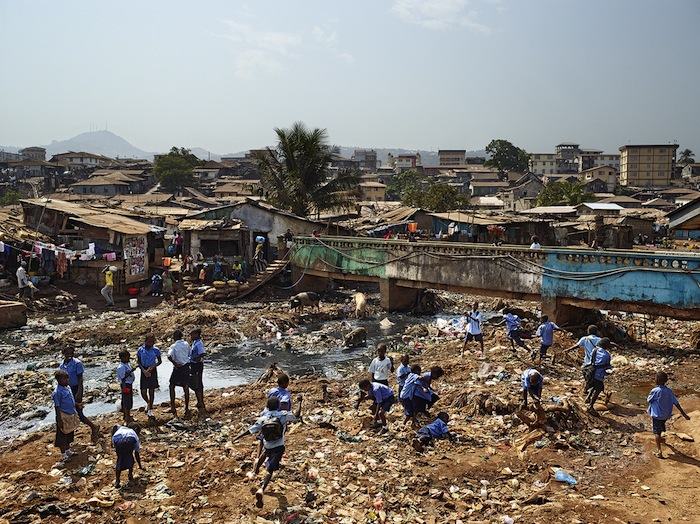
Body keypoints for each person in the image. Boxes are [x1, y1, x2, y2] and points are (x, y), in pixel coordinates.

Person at [234, 396, 302, 508]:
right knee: (270, 470)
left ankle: (255, 471)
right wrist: (300, 402)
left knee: (265, 453)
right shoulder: (283, 415)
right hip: (279, 446)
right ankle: (261, 489)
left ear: (267, 407)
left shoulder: (263, 419)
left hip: (268, 446)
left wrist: (238, 437)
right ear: (279, 406)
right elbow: (296, 415)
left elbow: (250, 430)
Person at [59, 347, 100, 441]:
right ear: (63, 353)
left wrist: (79, 393)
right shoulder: (62, 365)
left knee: (79, 413)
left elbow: (80, 379)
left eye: (71, 352)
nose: (70, 354)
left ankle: (94, 427)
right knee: (70, 412)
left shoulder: (77, 363)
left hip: (76, 388)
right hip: (67, 390)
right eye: (67, 352)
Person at [647, 371, 691, 458]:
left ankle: (659, 451)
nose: (654, 379)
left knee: (656, 432)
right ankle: (661, 438)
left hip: (657, 415)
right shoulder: (669, 391)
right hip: (665, 415)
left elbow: (649, 400)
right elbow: (676, 403)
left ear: (657, 380)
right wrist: (684, 414)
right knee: (661, 425)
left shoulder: (655, 391)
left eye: (655, 378)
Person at [52, 370, 79, 461]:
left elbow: (71, 400)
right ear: (59, 380)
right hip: (63, 415)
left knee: (69, 433)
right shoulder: (57, 392)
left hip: (70, 414)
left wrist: (76, 404)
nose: (67, 380)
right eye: (64, 379)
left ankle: (68, 450)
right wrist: (59, 419)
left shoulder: (67, 388)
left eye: (67, 378)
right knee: (62, 436)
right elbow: (57, 406)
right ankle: (64, 455)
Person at [585, 338, 612, 415]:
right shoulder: (607, 355)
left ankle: (587, 398)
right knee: (598, 389)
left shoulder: (595, 350)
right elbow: (607, 366)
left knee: (594, 386)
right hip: (599, 374)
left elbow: (591, 360)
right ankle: (590, 406)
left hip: (590, 372)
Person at [167, 330, 191, 419]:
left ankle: (173, 407)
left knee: (171, 385)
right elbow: (189, 354)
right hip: (186, 366)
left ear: (175, 337)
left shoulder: (174, 346)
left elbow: (169, 356)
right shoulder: (186, 344)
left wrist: (175, 363)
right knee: (186, 386)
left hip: (178, 368)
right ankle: (187, 407)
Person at [137, 335, 162, 418]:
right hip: (144, 370)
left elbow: (159, 361)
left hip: (152, 369)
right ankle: (148, 402)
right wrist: (144, 371)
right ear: (145, 341)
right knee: (143, 391)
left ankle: (150, 408)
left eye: (152, 342)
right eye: (149, 341)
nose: (150, 343)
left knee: (151, 391)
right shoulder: (140, 350)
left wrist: (152, 367)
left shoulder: (156, 350)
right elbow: (138, 362)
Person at [111, 424, 143, 488]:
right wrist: (140, 465)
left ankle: (117, 481)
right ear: (136, 430)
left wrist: (111, 440)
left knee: (120, 459)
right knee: (130, 458)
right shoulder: (133, 434)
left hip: (116, 438)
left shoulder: (122, 428)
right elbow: (136, 453)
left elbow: (114, 426)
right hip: (129, 439)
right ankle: (130, 476)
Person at [188, 329, 206, 414]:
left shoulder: (199, 343)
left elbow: (202, 353)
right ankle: (199, 401)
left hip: (197, 365)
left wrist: (196, 359)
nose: (191, 336)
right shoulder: (195, 342)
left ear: (196, 334)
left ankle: (200, 401)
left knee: (197, 382)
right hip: (194, 364)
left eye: (192, 335)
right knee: (195, 382)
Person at [117, 350, 135, 424]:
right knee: (127, 401)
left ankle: (127, 415)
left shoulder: (126, 364)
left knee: (127, 400)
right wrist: (131, 371)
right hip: (126, 384)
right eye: (127, 357)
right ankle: (127, 417)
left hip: (129, 383)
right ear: (123, 358)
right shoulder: (121, 367)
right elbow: (123, 378)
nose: (129, 358)